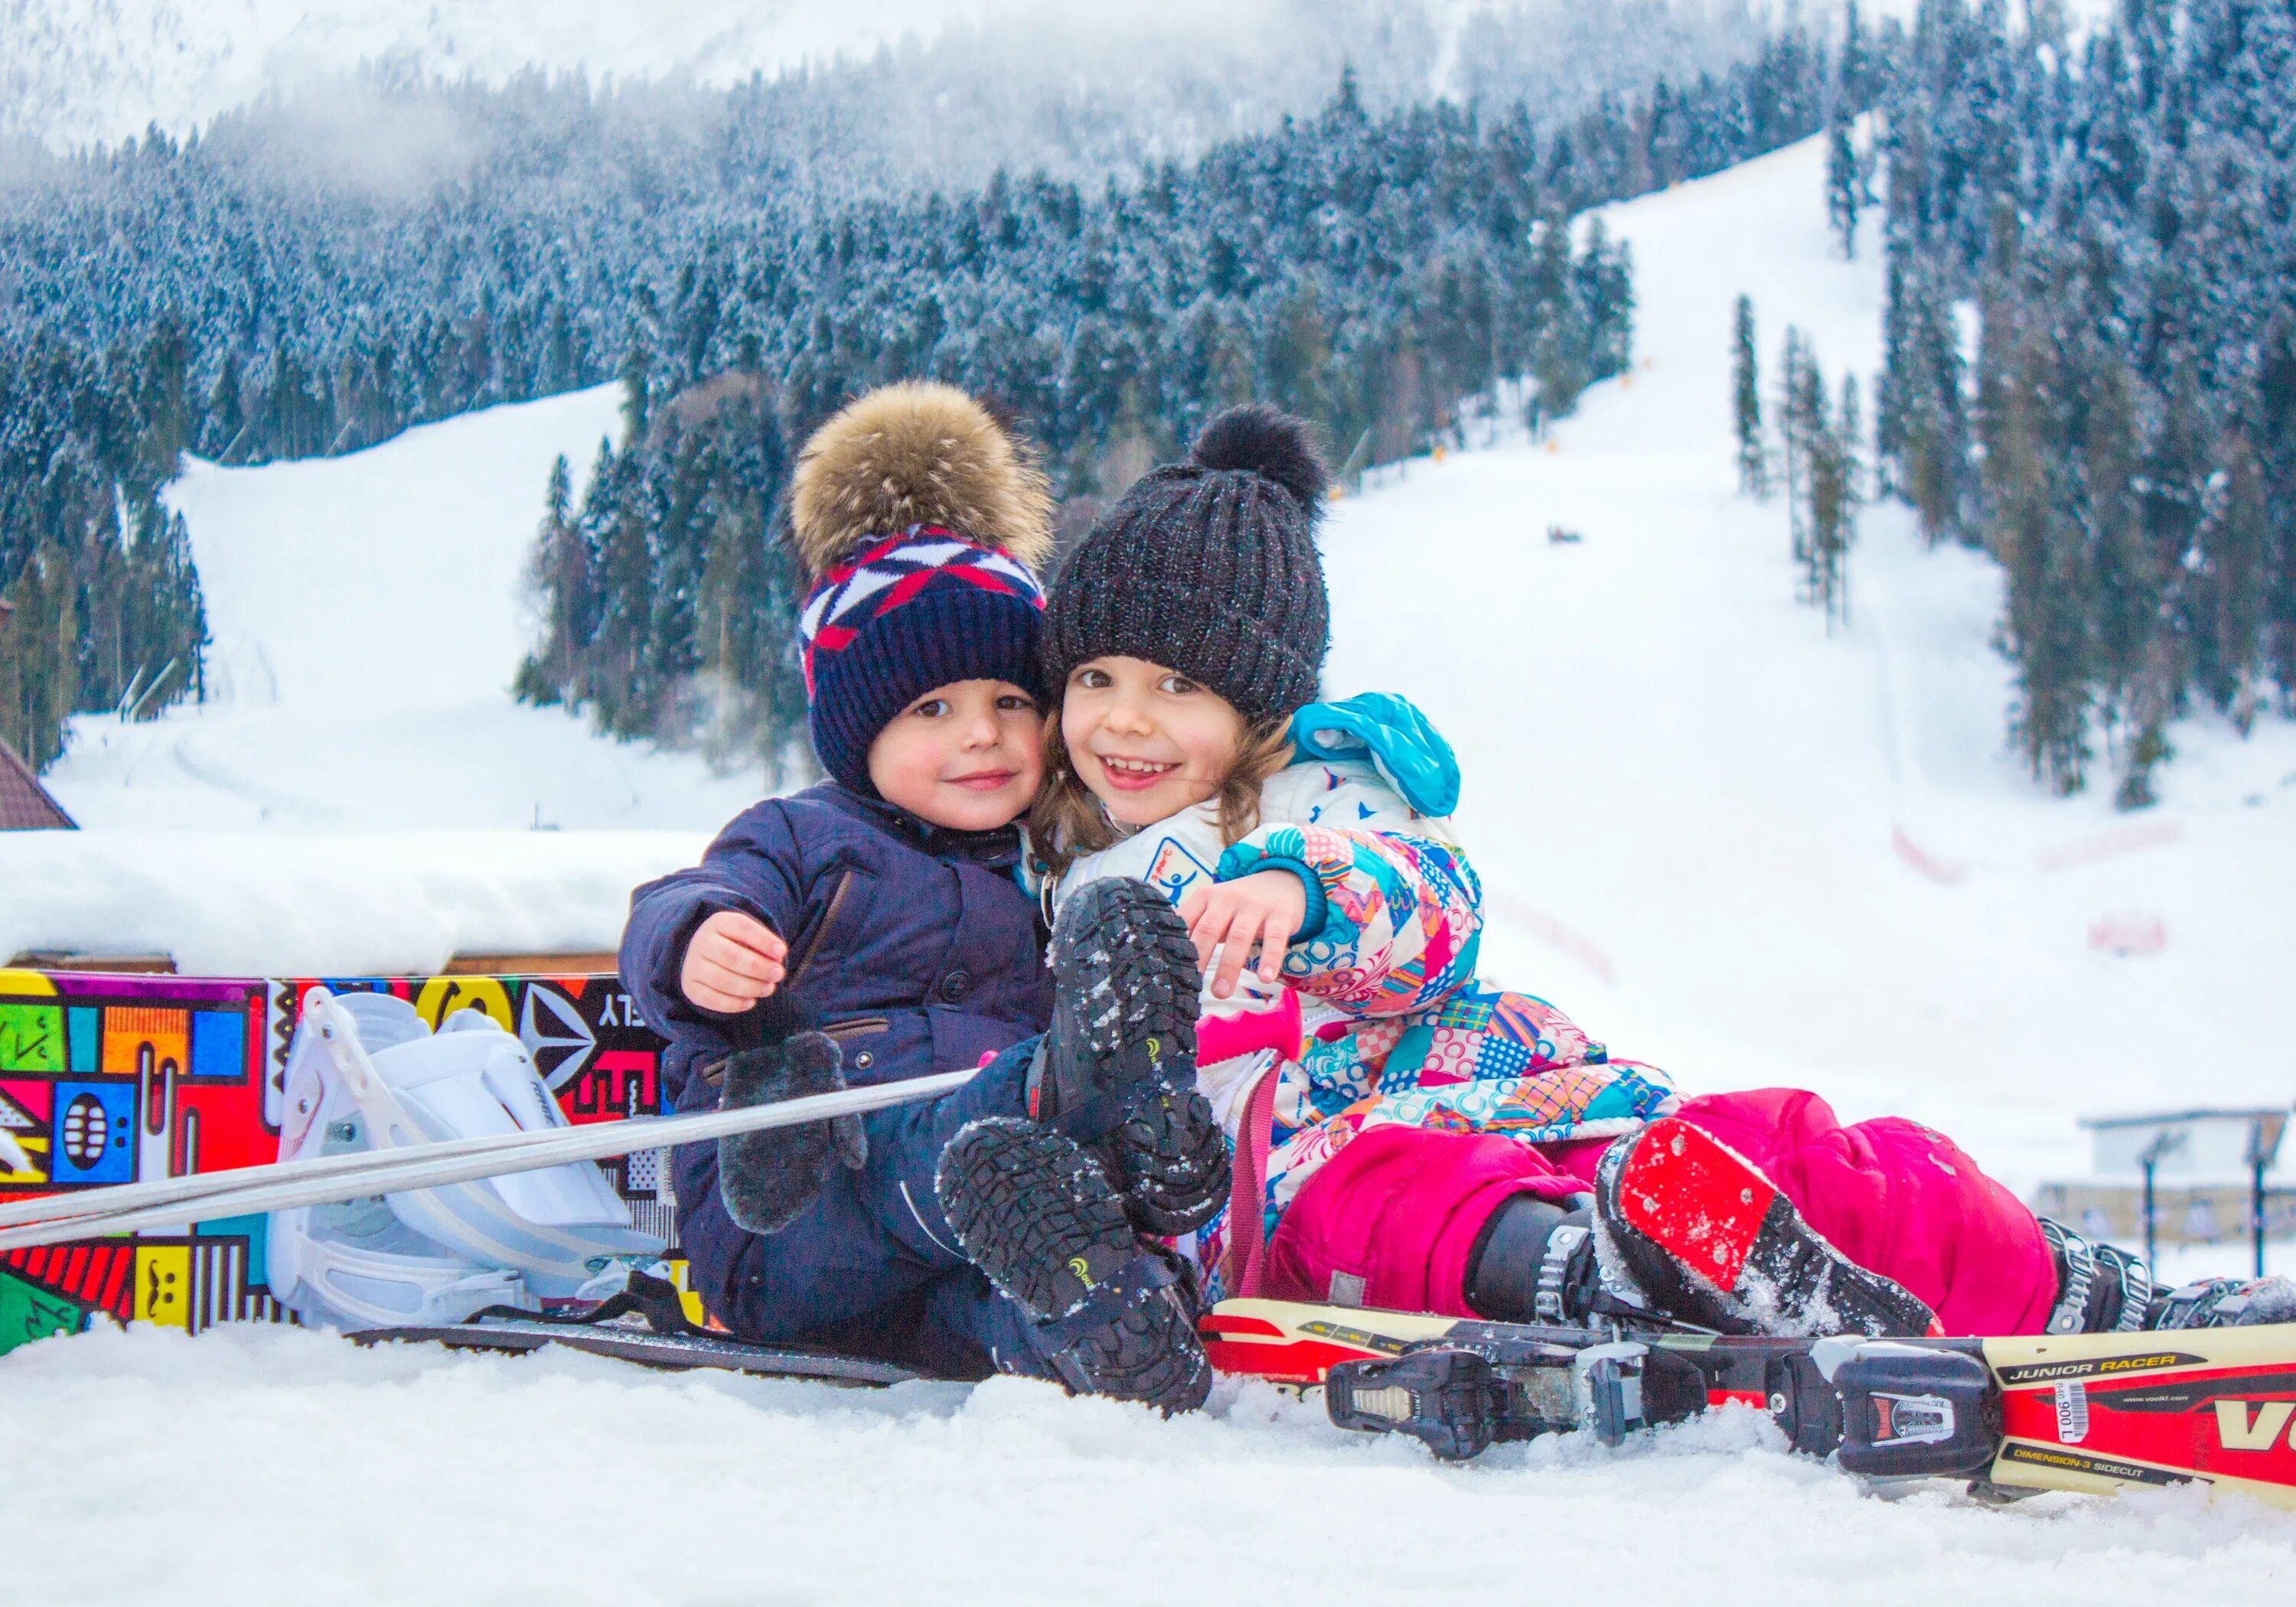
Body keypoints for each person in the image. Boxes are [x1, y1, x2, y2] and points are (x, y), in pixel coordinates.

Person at [937, 404, 2293, 1386]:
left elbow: (1436, 907)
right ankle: (1612, 1284)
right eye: (1096, 678)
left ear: (1262, 705)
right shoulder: (1063, 876)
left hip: (1538, 1096)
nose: (1128, 720)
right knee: (1382, 1197)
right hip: (1321, 1177)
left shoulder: (1324, 801)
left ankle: (2096, 1300)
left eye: (1179, 686)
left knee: (1789, 1144)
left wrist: (1308, 893)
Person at [618, 382, 1221, 1400]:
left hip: (955, 1260)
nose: (982, 735)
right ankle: (1083, 1093)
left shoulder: (1059, 863)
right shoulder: (804, 837)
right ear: (861, 731)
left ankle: (1104, 1331)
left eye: (1011, 700)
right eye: (933, 709)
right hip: (795, 1215)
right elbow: (680, 902)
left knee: (1006, 1295)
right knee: (993, 1138)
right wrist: (698, 941)